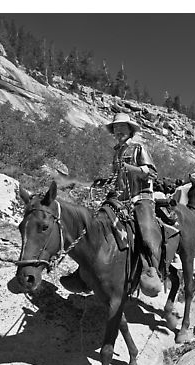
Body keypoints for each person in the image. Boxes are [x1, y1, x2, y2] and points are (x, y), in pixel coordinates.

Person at [60, 113, 163, 297]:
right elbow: (119, 178)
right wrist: (106, 180)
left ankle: (151, 271)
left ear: (130, 130)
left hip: (141, 198)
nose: (118, 131)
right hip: (119, 198)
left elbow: (152, 174)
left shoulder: (139, 148)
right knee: (94, 225)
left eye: (122, 128)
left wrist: (130, 169)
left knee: (146, 231)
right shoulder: (117, 152)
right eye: (115, 128)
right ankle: (83, 273)